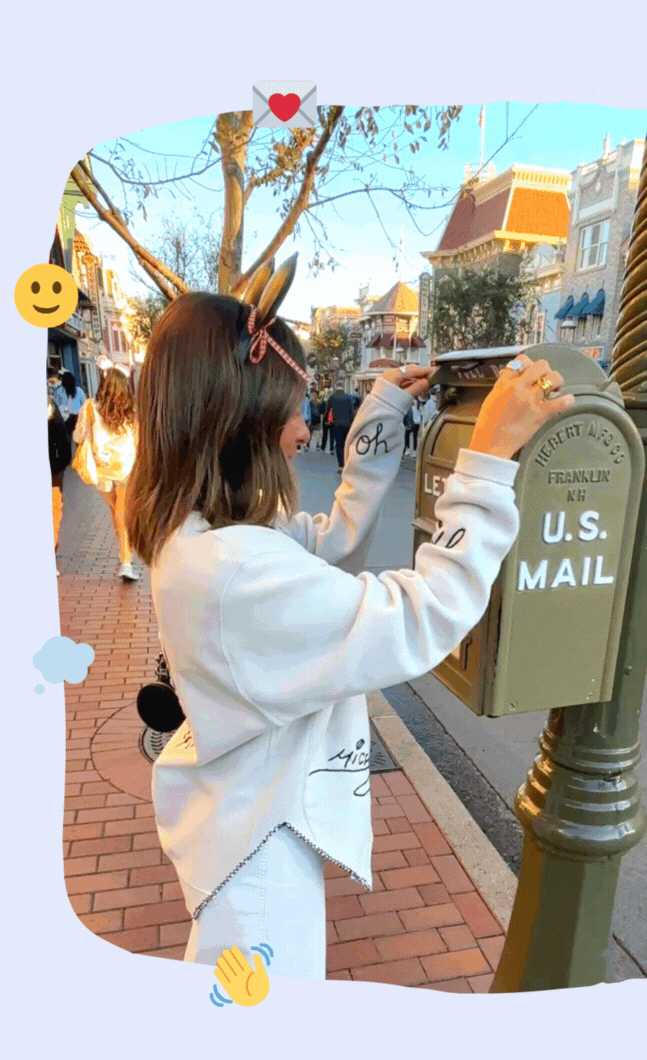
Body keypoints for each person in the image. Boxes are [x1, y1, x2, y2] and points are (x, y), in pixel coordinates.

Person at [124, 289, 574, 980]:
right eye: (292, 408)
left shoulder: (204, 535)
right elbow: (424, 613)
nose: (304, 431)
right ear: (238, 415)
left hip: (245, 823)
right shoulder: (233, 568)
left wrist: (380, 417)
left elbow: (330, 544)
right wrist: (486, 464)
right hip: (259, 866)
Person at [73, 365, 139, 581]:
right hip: (126, 468)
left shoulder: (90, 407)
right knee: (120, 514)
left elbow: (78, 436)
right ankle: (126, 562)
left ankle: (125, 559)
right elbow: (139, 439)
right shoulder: (131, 408)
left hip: (101, 470)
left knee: (117, 513)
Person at [48, 395, 72, 574]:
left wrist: (61, 462)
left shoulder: (50, 407)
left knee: (55, 508)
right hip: (55, 467)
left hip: (54, 467)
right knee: (54, 509)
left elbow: (63, 437)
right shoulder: (50, 406)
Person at [326, 382, 359, 474]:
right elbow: (351, 411)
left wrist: (326, 421)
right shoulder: (348, 397)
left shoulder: (333, 397)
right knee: (346, 444)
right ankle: (347, 462)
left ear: (336, 387)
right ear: (343, 387)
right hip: (347, 424)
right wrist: (352, 422)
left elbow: (328, 409)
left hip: (337, 424)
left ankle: (341, 464)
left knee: (339, 444)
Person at [55, 371, 87, 442]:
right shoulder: (79, 391)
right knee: (78, 440)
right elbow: (85, 405)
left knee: (66, 441)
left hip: (65, 420)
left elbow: (56, 406)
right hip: (77, 418)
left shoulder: (58, 391)